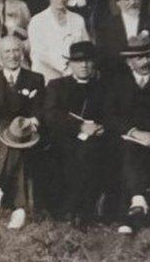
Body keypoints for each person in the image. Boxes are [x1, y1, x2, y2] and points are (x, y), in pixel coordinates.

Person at [106, 34, 150, 235]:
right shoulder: (117, 83)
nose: (145, 62)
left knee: (147, 156)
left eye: (148, 56)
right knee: (129, 150)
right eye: (139, 58)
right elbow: (110, 116)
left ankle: (131, 213)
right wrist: (135, 133)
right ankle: (136, 201)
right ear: (129, 62)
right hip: (128, 139)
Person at [0, 36, 44, 229]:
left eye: (16, 50)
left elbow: (40, 108)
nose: (12, 55)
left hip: (28, 132)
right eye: (7, 51)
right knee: (14, 144)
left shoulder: (35, 79)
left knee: (19, 141)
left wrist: (33, 121)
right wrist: (5, 129)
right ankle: (20, 209)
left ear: (22, 53)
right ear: (0, 56)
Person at [42, 41, 108, 228]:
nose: (84, 65)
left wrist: (103, 127)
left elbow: (113, 113)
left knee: (91, 153)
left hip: (96, 139)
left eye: (88, 61)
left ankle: (85, 210)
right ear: (70, 64)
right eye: (78, 61)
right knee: (63, 155)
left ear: (94, 63)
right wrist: (79, 126)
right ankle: (68, 209)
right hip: (64, 137)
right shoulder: (57, 85)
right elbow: (50, 114)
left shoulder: (103, 86)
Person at [28, 0, 91, 83]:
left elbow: (85, 48)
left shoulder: (78, 19)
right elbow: (39, 54)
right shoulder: (37, 21)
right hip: (46, 76)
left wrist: (74, 70)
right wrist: (64, 71)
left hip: (74, 76)